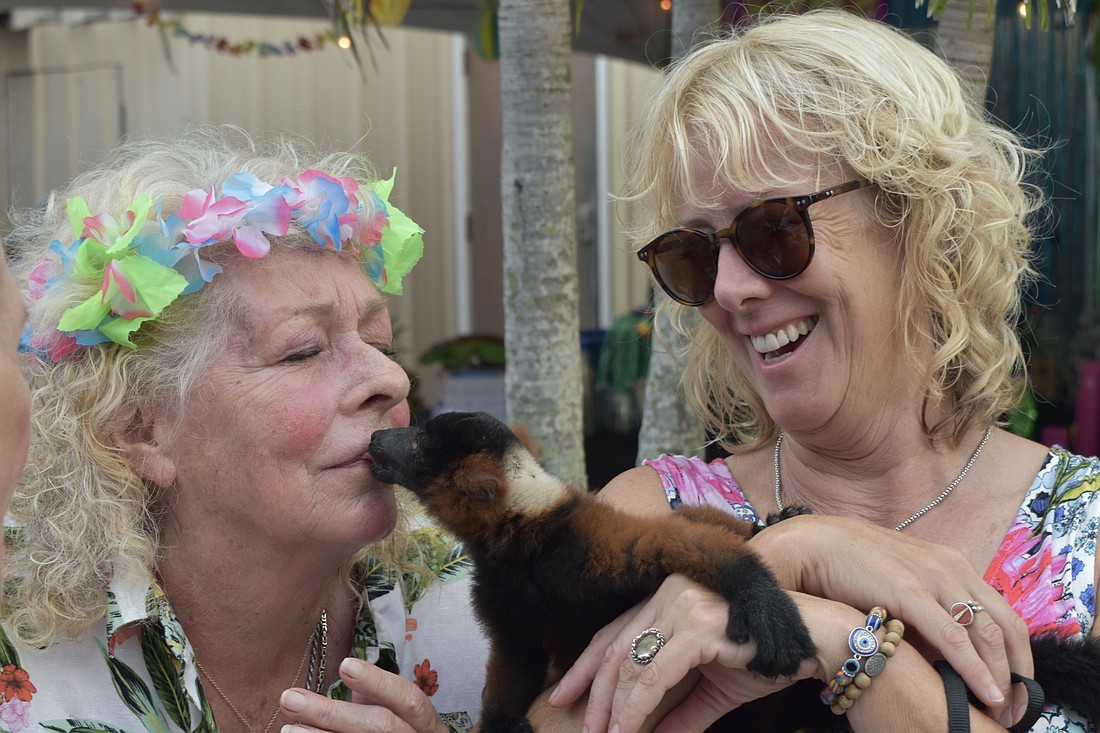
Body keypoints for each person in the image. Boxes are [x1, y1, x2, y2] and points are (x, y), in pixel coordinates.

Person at [547, 10, 1099, 733]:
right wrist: (793, 553)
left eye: (773, 228)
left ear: (915, 216)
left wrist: (841, 640)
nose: (729, 290)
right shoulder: (653, 517)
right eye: (696, 254)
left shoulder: (1083, 535)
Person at [2, 125, 490, 733]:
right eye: (303, 351)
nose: (391, 379)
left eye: (378, 340)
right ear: (140, 428)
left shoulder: (484, 609)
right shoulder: (22, 651)